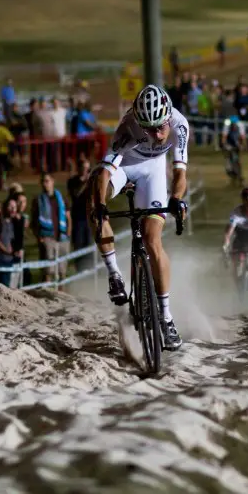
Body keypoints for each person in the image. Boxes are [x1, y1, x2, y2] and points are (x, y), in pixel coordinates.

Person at [88, 84, 188, 350]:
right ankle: (115, 275)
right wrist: (99, 205)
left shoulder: (179, 125)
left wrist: (177, 200)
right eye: (149, 129)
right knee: (94, 198)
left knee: (152, 240)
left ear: (169, 118)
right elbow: (106, 172)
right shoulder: (127, 127)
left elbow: (179, 173)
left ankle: (166, 317)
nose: (156, 134)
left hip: (153, 172)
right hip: (125, 167)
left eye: (160, 128)